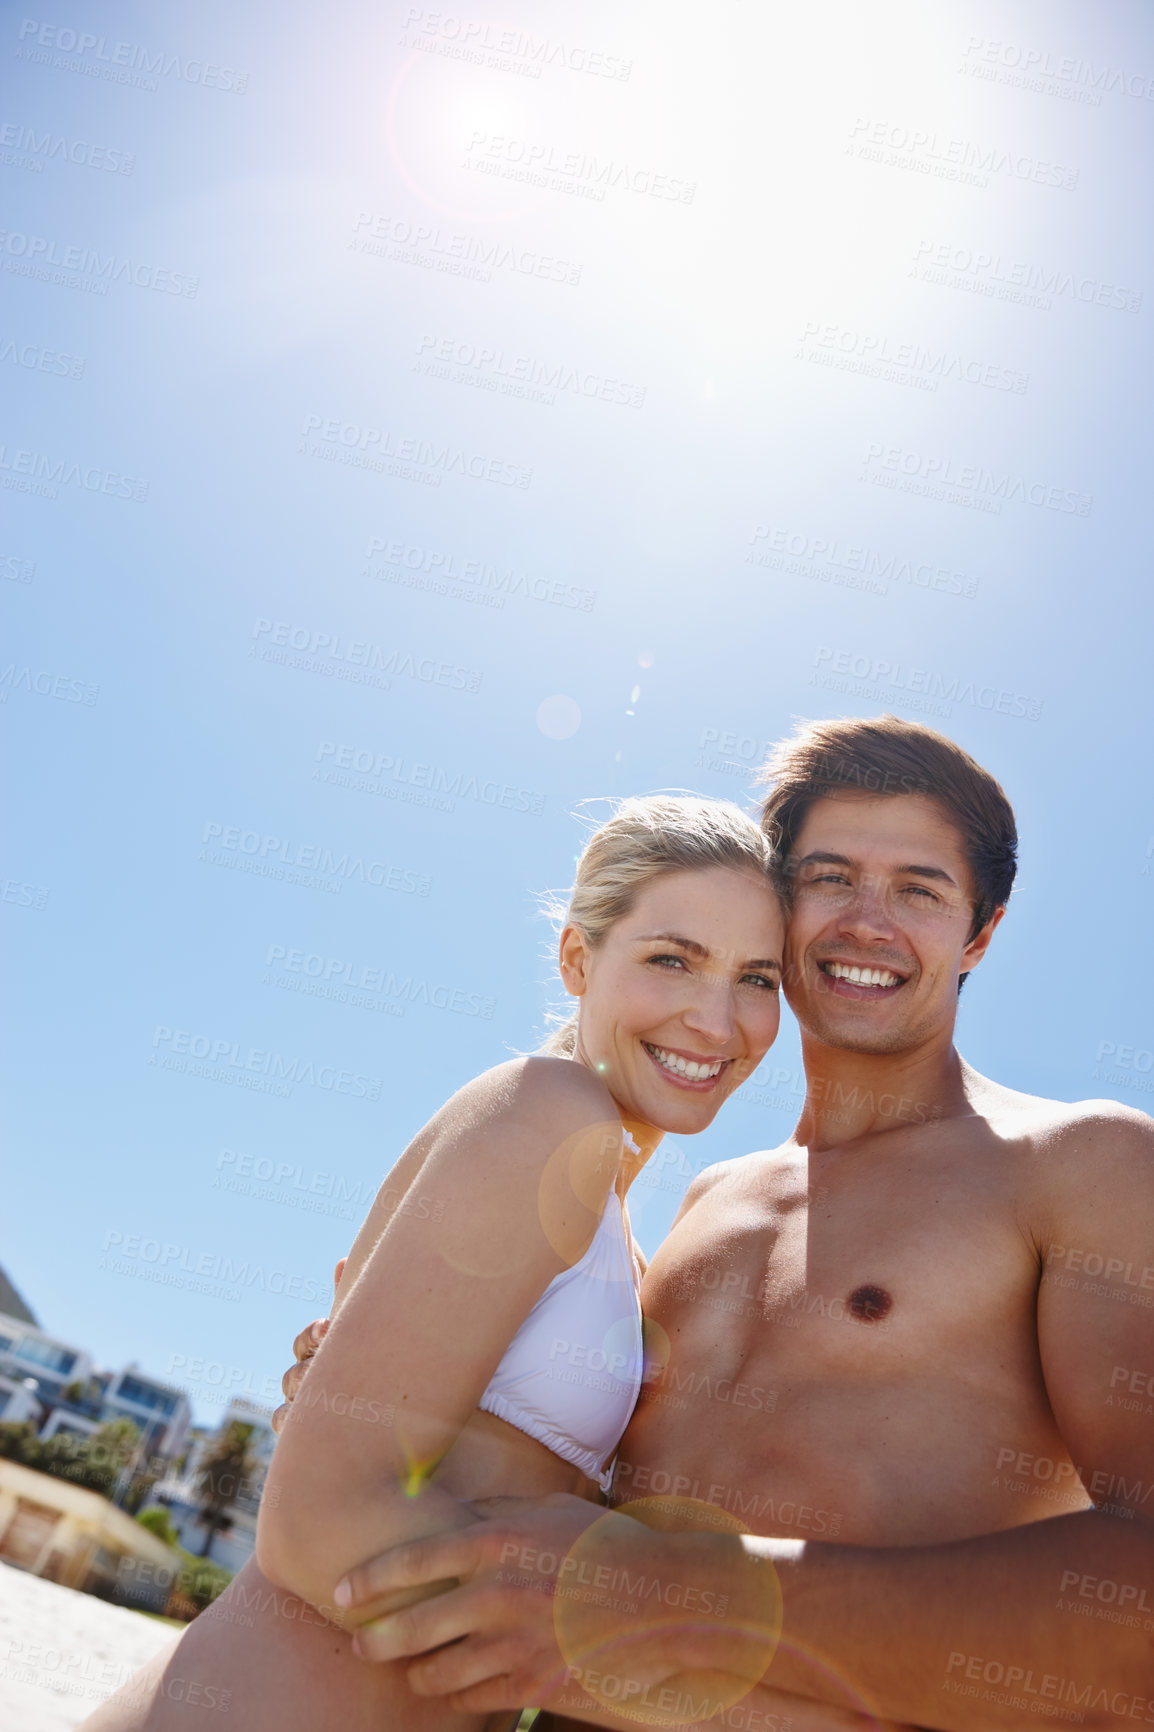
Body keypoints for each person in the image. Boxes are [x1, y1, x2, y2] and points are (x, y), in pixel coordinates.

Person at [306, 716, 1154, 1732]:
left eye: (918, 890)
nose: (864, 923)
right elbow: (535, 1490)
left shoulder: (1082, 1165)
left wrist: (682, 1594)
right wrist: (361, 1398)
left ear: (978, 932)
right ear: (776, 906)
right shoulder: (703, 1202)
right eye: (828, 877)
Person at [84, 794, 787, 1732]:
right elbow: (319, 1522)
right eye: (673, 960)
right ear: (579, 960)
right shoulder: (550, 1112)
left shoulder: (610, 1218)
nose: (716, 1017)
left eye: (758, 978)